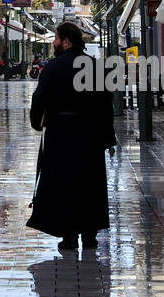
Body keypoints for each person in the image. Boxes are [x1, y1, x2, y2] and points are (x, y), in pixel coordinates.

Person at [26, 20, 116, 253]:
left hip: (61, 133)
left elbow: (39, 99)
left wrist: (37, 124)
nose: (54, 43)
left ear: (66, 41)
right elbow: (107, 105)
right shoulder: (96, 67)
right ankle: (90, 235)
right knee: (91, 183)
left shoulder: (53, 67)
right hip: (90, 135)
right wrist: (108, 138)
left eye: (56, 39)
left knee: (63, 182)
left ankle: (68, 236)